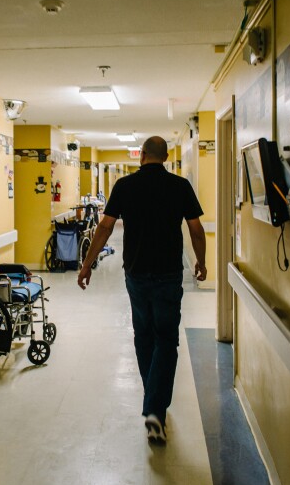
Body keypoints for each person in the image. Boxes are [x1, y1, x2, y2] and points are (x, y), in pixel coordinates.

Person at [78, 135, 207, 445]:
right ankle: (155, 409)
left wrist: (86, 264)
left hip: (135, 273)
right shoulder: (180, 186)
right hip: (168, 274)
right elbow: (196, 228)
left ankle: (153, 404)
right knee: (166, 339)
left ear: (143, 155)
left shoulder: (124, 186)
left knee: (144, 335)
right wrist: (201, 261)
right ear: (164, 156)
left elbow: (105, 227)